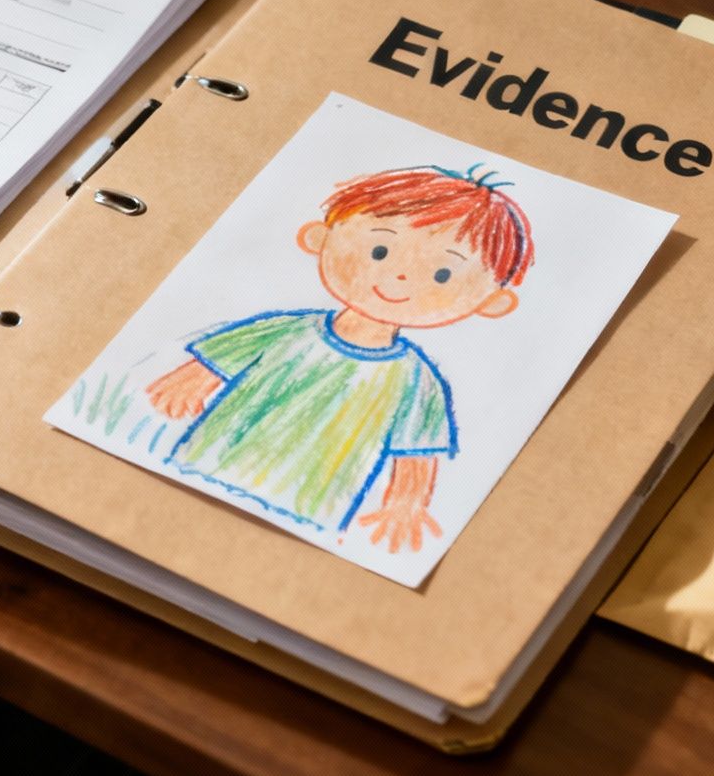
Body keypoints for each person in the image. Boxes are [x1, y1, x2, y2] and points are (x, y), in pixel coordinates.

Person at [145, 165, 534, 553]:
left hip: (305, 516)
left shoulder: (418, 381)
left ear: (491, 303)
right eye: (380, 250)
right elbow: (215, 363)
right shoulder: (285, 330)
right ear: (320, 238)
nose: (399, 277)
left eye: (443, 273)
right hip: (204, 468)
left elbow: (416, 452)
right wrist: (189, 381)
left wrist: (405, 505)